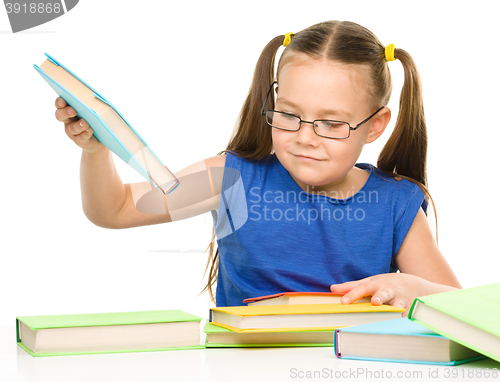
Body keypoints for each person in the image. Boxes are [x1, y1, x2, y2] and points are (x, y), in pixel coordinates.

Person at [54, 20, 461, 315]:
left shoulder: (395, 202)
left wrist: (410, 287)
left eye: (331, 124)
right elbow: (116, 209)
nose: (305, 136)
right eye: (288, 114)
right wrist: (95, 152)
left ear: (374, 126)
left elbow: (463, 311)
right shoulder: (231, 178)